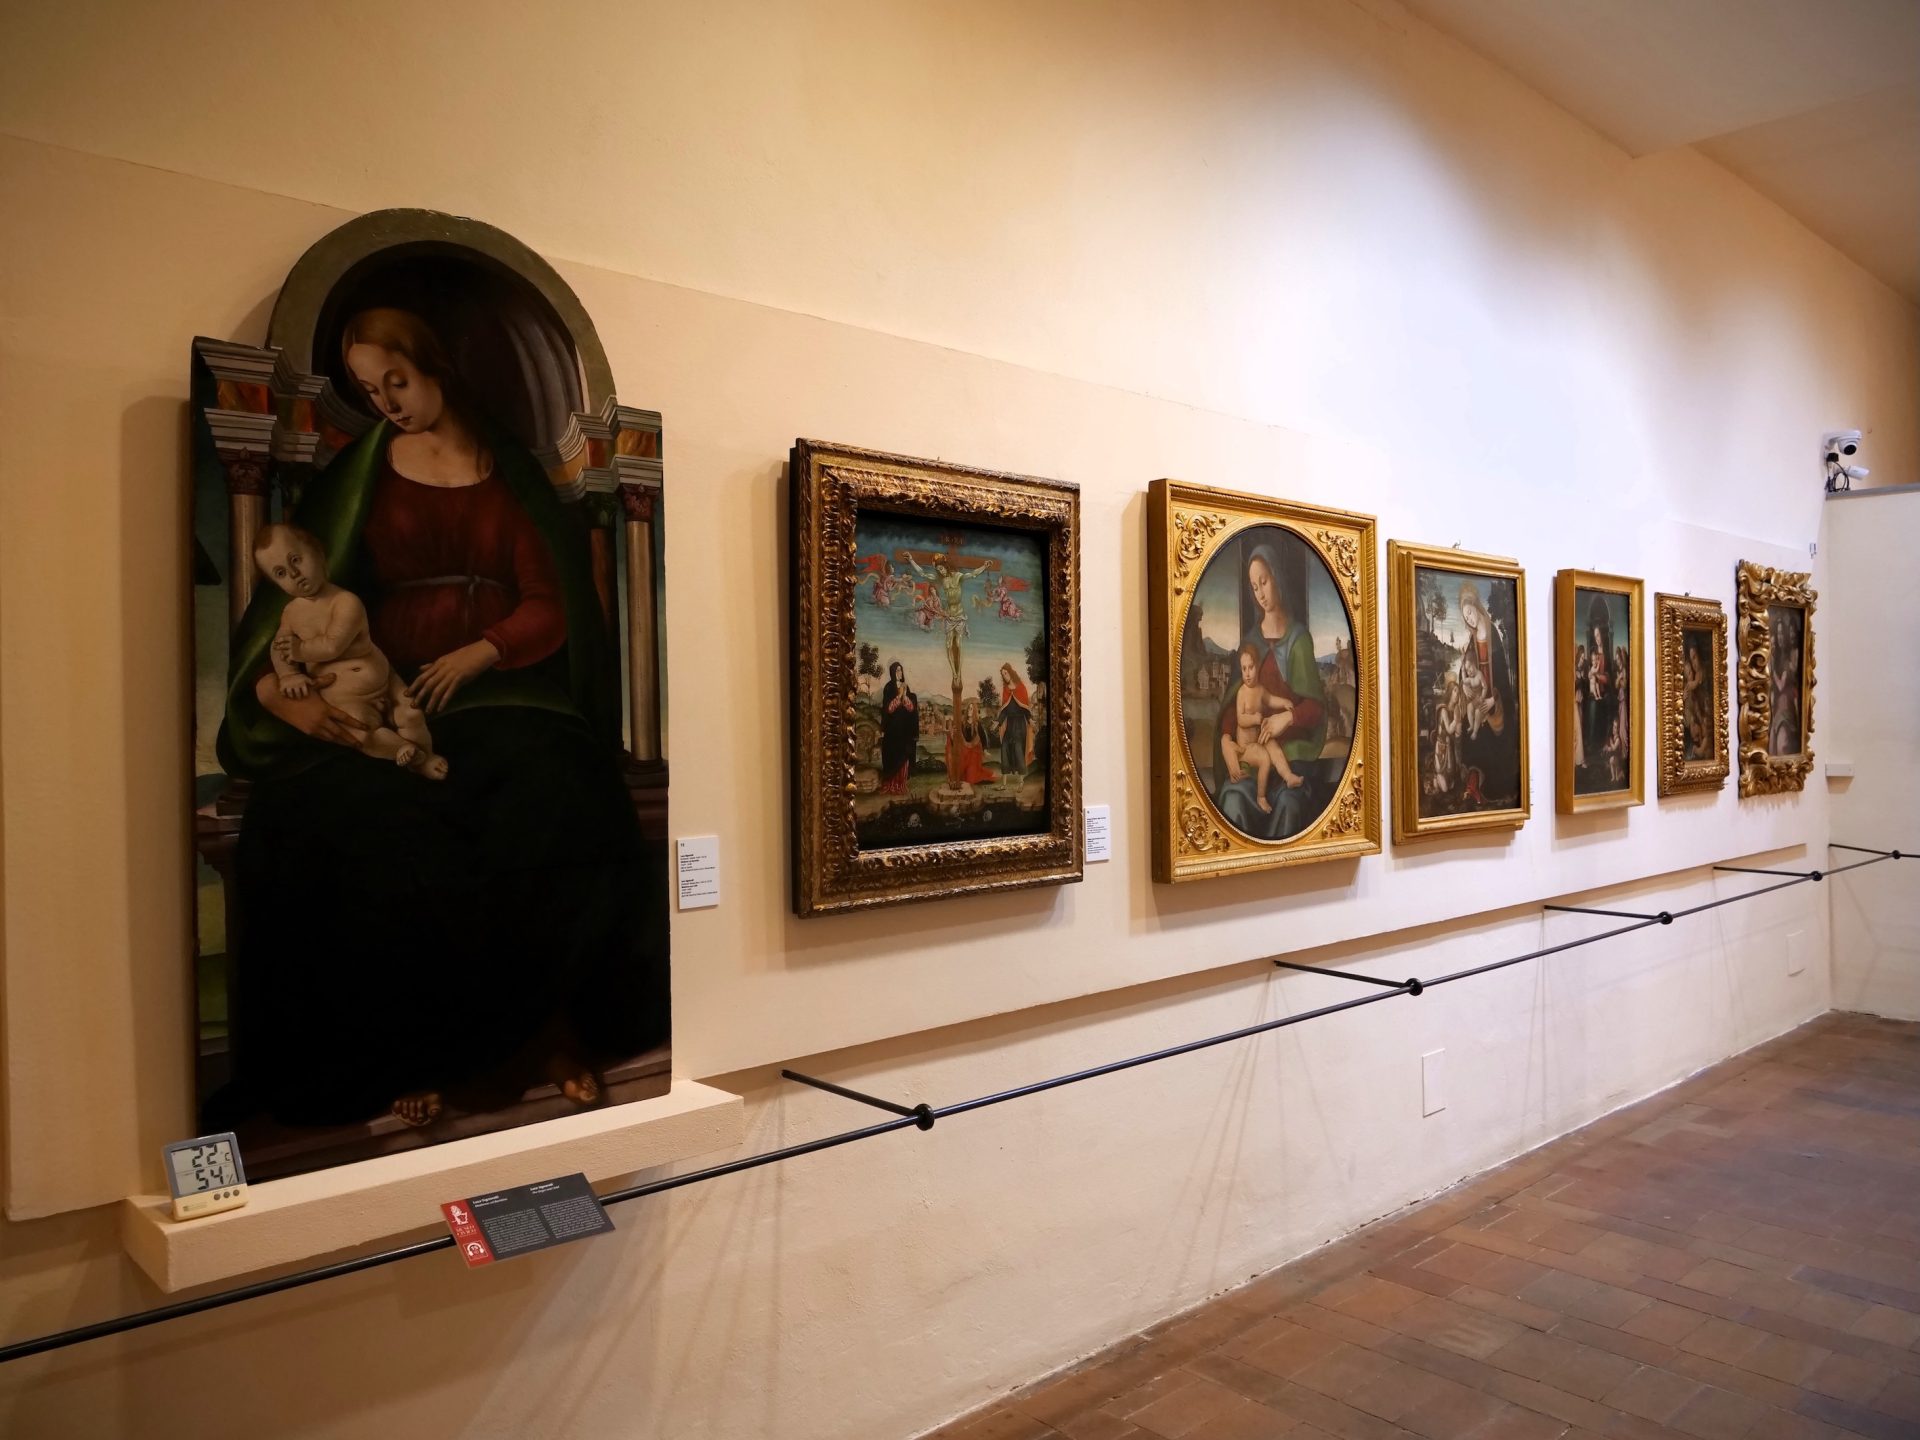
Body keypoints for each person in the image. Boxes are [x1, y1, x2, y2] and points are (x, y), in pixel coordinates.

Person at [213, 306, 665, 1135]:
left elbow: (551, 604)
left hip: (509, 694)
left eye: (397, 380)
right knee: (346, 823)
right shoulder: (358, 480)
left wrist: (481, 651)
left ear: (435, 370)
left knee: (565, 801)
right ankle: (414, 1053)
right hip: (389, 694)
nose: (387, 402)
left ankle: (542, 1037)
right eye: (368, 390)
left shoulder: (510, 475)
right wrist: (287, 694)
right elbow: (299, 597)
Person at [255, 523, 446, 779]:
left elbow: (333, 645)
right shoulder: (291, 612)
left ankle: (426, 758)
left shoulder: (346, 601)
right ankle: (401, 750)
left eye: (296, 560)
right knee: (360, 733)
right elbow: (279, 647)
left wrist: (299, 650)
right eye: (280, 573)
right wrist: (289, 674)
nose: (294, 574)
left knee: (411, 713)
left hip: (385, 682)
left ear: (318, 554)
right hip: (345, 699)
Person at [1210, 542, 1328, 838]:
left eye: (1264, 581)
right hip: (1253, 756)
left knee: (1290, 804)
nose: (1260, 593)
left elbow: (1316, 708)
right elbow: (1235, 701)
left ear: (1277, 577)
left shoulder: (1299, 640)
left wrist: (1287, 718)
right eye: (1254, 587)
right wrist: (1226, 738)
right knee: (1233, 798)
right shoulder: (1251, 643)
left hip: (1293, 756)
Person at [1222, 643, 1303, 813]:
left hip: (1258, 739)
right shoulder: (1242, 693)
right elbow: (1240, 719)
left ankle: (1288, 777)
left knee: (1275, 748)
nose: (1247, 673)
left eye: (1251, 668)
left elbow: (1271, 699)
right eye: (1244, 669)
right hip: (1246, 747)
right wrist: (1253, 718)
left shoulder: (1260, 689)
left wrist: (1284, 702)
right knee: (1265, 758)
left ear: (1257, 667)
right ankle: (1261, 797)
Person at [879, 661, 920, 794]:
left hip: (904, 731)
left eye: (901, 670)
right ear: (892, 673)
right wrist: (899, 696)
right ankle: (890, 785)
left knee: (903, 757)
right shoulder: (888, 688)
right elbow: (889, 709)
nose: (899, 673)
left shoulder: (906, 687)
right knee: (892, 757)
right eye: (897, 670)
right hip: (892, 731)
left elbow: (911, 708)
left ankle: (900, 785)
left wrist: (905, 696)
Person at [945, 699, 999, 786]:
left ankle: (986, 774)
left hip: (975, 753)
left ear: (974, 711)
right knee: (961, 775)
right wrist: (952, 733)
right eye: (969, 709)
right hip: (965, 752)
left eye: (972, 709)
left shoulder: (978, 724)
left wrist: (985, 750)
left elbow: (983, 737)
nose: (970, 711)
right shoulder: (962, 723)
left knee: (970, 779)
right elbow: (957, 736)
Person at [996, 662, 1034, 783]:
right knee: (1004, 748)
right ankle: (1004, 783)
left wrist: (1030, 720)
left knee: (1018, 750)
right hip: (1010, 723)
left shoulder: (1021, 688)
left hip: (1020, 724)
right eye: (1003, 674)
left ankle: (1021, 782)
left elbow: (1026, 709)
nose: (1004, 676)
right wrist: (998, 722)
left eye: (1006, 673)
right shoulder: (1006, 690)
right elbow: (1004, 711)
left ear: (1011, 673)